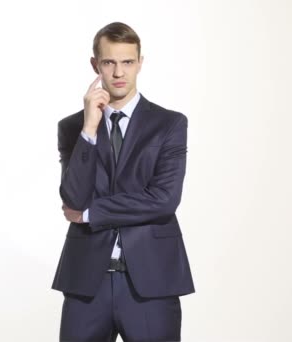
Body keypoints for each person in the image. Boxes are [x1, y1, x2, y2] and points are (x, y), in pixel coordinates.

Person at [52, 22, 195, 342]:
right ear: (95, 65)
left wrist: (91, 214)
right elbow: (73, 198)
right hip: (87, 282)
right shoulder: (72, 127)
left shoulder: (169, 124)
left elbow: (164, 200)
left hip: (151, 281)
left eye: (127, 62)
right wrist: (89, 128)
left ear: (140, 63)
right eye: (109, 62)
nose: (119, 72)